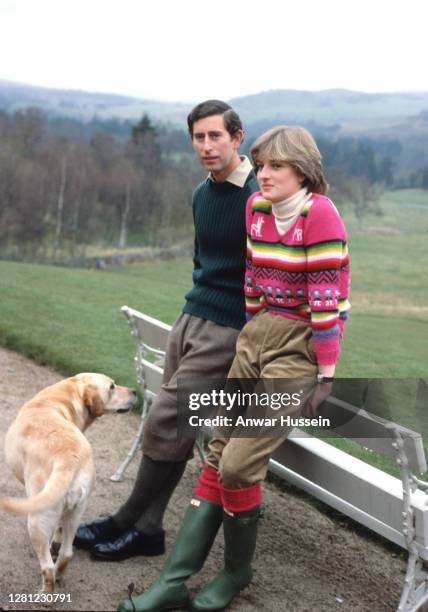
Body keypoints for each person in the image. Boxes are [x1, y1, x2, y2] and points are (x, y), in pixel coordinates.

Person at [117, 125, 351, 611]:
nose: (263, 175)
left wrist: (325, 373)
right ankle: (174, 582)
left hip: (299, 344)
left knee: (240, 463)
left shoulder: (320, 215)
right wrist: (249, 333)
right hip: (257, 334)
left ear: (303, 170)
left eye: (276, 166)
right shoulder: (256, 209)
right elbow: (252, 276)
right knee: (219, 444)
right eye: (261, 165)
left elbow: (328, 303)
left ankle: (236, 571)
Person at [74, 100, 259, 561]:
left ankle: (124, 520)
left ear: (237, 137)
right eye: (198, 137)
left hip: (229, 330)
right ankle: (149, 531)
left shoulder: (259, 195)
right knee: (176, 428)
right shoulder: (202, 195)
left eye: (216, 135)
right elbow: (203, 263)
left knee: (166, 420)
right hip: (192, 318)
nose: (206, 145)